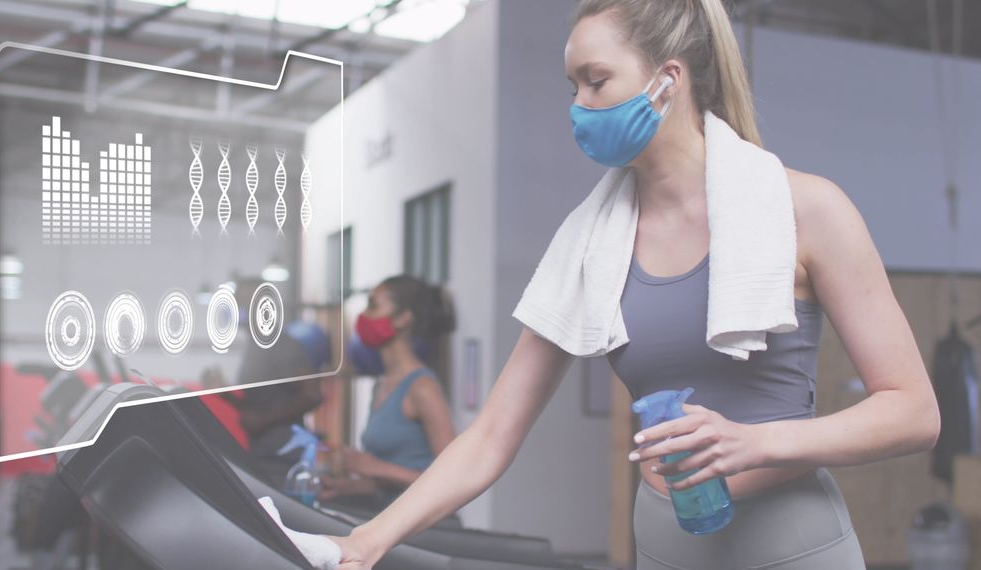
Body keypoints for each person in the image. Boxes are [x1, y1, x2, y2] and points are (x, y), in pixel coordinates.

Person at [327, 1, 941, 569]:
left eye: (596, 81)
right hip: (662, 543)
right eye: (573, 87)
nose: (578, 106)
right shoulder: (591, 244)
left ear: (666, 80)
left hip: (791, 542)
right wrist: (365, 540)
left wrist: (756, 442)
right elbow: (489, 436)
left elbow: (913, 412)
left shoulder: (807, 209)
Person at [321, 275, 458, 511]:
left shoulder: (423, 388)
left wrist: (374, 467)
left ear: (403, 319)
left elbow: (453, 481)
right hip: (389, 519)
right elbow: (390, 485)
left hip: (427, 530)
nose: (364, 315)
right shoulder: (383, 384)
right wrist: (349, 486)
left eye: (374, 306)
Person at [202, 319, 328, 485]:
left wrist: (264, 419)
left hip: (283, 454)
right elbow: (257, 408)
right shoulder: (254, 346)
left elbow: (312, 395)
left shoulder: (283, 346)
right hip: (260, 452)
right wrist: (225, 394)